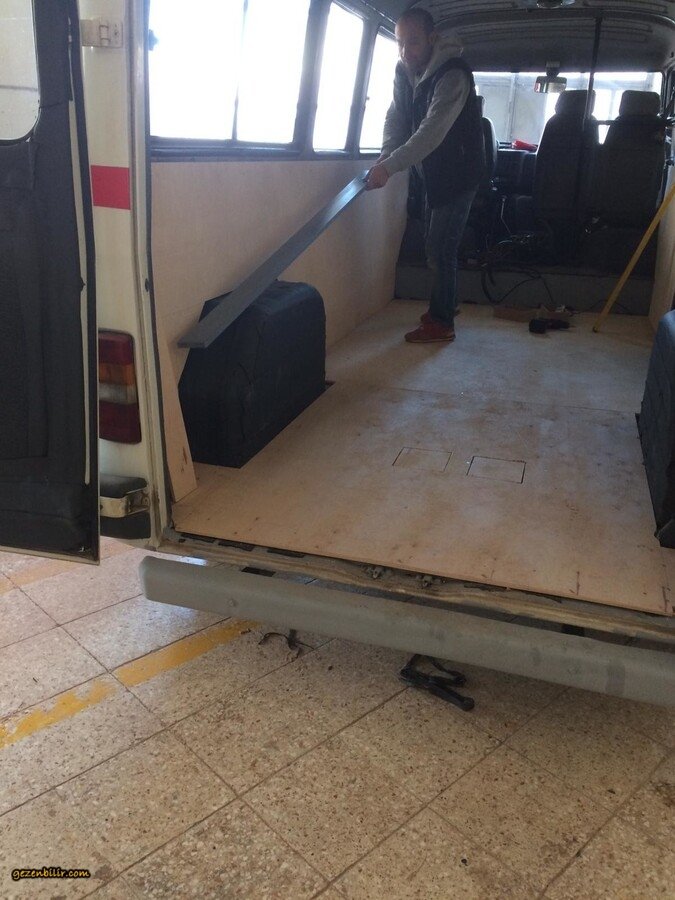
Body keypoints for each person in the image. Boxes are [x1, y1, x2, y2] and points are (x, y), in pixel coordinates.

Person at [366, 9, 486, 343]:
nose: (405, 51)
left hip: (459, 174)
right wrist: (386, 154)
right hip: (432, 172)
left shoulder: (453, 74)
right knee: (434, 245)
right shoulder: (405, 70)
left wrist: (389, 167)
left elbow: (431, 132)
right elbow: (396, 115)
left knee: (440, 248)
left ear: (432, 39)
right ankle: (446, 304)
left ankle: (442, 322)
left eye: (413, 42)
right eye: (400, 43)